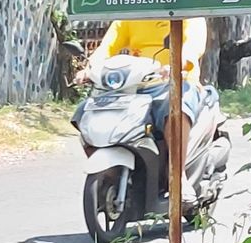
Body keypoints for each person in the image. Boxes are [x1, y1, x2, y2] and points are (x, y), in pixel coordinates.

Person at [74, 17, 216, 209]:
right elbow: (106, 48)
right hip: (133, 86)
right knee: (85, 112)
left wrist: (179, 62)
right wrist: (89, 69)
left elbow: (193, 46)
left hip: (176, 82)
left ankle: (178, 178)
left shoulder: (188, 13)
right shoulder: (131, 15)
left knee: (176, 109)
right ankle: (111, 174)